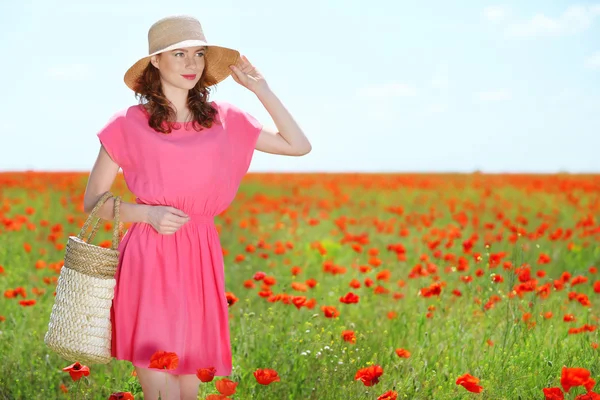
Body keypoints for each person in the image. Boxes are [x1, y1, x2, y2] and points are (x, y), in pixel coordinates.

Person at [82, 15, 311, 400]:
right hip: (148, 251)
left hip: (200, 250)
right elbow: (94, 202)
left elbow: (298, 145)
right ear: (155, 61)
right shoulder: (127, 124)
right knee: (157, 371)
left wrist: (261, 89)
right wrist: (147, 214)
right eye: (179, 54)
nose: (192, 64)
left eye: (199, 54)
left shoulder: (227, 120)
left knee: (190, 381)